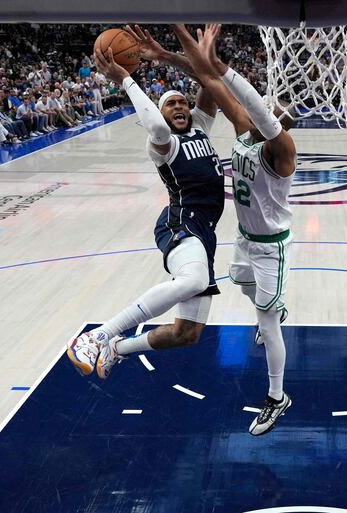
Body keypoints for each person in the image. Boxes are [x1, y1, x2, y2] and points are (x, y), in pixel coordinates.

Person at [67, 29, 226, 389]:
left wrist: (172, 55)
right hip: (180, 222)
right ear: (161, 112)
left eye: (183, 102)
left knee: (187, 334)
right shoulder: (163, 145)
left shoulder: (199, 129)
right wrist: (125, 78)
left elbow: (209, 81)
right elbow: (154, 123)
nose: (180, 107)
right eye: (171, 104)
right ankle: (97, 336)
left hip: (205, 230)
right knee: (195, 280)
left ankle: (118, 350)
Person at [168, 23, 296, 435]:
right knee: (239, 279)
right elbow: (206, 77)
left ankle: (277, 397)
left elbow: (250, 102)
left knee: (268, 321)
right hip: (245, 241)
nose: (267, 112)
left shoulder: (281, 152)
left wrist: (218, 65)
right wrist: (171, 45)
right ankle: (272, 305)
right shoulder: (244, 130)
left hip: (272, 248)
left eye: (274, 114)